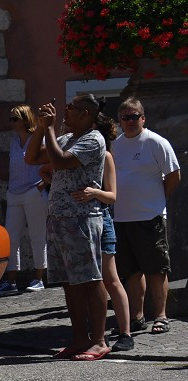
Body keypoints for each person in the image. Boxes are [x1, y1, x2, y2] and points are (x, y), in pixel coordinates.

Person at [24, 94, 108, 361]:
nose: (66, 112)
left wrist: (49, 128)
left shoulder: (93, 140)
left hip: (82, 219)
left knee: (90, 280)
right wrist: (40, 126)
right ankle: (79, 339)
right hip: (59, 219)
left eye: (70, 108)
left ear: (86, 114)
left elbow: (60, 161)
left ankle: (99, 340)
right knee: (69, 283)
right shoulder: (65, 138)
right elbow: (32, 157)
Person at [111, 97, 181, 336]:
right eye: (125, 117)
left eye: (134, 117)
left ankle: (161, 315)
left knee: (156, 269)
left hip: (150, 216)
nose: (129, 121)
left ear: (143, 118)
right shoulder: (116, 145)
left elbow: (173, 175)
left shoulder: (155, 142)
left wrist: (158, 199)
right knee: (131, 271)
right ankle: (137, 316)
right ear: (119, 120)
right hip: (122, 217)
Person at [73, 113, 134, 352]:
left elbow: (112, 195)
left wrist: (92, 192)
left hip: (102, 220)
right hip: (82, 222)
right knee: (89, 280)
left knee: (111, 279)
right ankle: (93, 334)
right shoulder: (78, 155)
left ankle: (126, 333)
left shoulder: (106, 156)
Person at [0, 105, 48, 295]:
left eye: (15, 119)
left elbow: (49, 162)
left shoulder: (38, 139)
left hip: (33, 191)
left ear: (25, 119)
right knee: (11, 237)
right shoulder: (13, 141)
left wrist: (41, 185)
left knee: (37, 236)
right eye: (11, 119)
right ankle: (10, 281)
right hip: (14, 193)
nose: (12, 123)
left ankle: (39, 278)